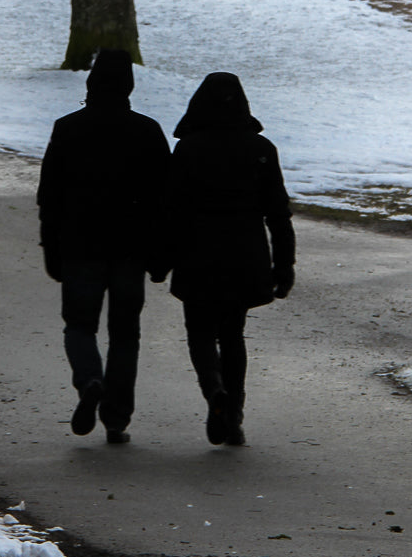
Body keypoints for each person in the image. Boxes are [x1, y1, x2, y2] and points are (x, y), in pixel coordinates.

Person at [37, 49, 171, 444]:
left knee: (79, 325)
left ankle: (89, 380)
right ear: (129, 86)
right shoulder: (147, 131)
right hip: (131, 249)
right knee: (125, 334)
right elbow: (165, 200)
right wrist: (162, 254)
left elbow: (50, 196)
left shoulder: (68, 128)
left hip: (80, 245)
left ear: (90, 83)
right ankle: (116, 417)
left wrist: (52, 248)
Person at [168, 72, 295, 446]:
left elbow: (172, 209)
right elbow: (277, 213)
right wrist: (283, 264)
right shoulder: (260, 149)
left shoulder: (189, 149)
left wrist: (163, 256)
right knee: (233, 334)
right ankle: (234, 414)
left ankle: (214, 390)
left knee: (200, 332)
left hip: (198, 251)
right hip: (246, 252)